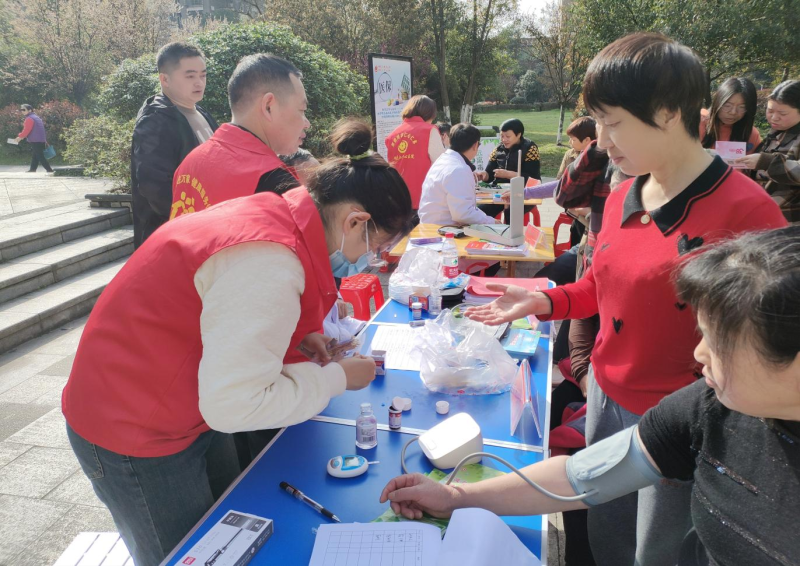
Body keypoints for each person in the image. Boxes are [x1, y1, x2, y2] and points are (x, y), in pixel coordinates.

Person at [468, 33, 785, 566]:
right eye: (596, 123)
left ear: (668, 113)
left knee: (657, 553)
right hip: (604, 396)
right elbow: (601, 287)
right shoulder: (622, 196)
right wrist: (541, 302)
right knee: (606, 538)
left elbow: (767, 351)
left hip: (683, 421)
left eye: (612, 123)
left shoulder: (747, 214)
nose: (601, 141)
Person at [62, 121, 414, 566]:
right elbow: (234, 405)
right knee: (185, 554)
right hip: (133, 424)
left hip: (182, 400)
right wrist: (337, 379)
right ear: (356, 221)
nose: (369, 259)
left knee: (226, 529)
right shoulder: (269, 258)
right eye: (376, 247)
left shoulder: (279, 212)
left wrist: (297, 336)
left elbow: (225, 307)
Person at [381, 226, 800, 566]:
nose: (699, 353)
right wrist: (454, 498)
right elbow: (583, 476)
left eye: (720, 341)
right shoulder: (707, 408)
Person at [171, 54, 308, 219]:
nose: (306, 123)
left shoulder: (188, 164)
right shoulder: (276, 184)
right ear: (268, 106)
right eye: (302, 110)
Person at [131, 42, 218, 248]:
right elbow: (154, 187)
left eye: (203, 75)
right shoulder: (155, 121)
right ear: (165, 79)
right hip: (176, 237)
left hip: (209, 227)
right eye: (190, 76)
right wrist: (196, 222)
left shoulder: (201, 113)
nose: (199, 82)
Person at [734, 79, 800, 224]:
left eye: (783, 113)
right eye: (770, 111)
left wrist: (766, 162)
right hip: (767, 216)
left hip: (790, 221)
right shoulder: (776, 133)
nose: (774, 117)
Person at [419, 123, 496, 226]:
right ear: (475, 145)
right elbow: (463, 214)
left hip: (431, 225)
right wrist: (492, 222)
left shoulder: (443, 160)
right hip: (443, 230)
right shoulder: (459, 169)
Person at [385, 95, 446, 212]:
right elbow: (441, 164)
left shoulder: (392, 134)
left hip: (398, 197)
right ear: (429, 113)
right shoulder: (429, 130)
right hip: (424, 198)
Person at [476, 118, 541, 218]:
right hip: (500, 192)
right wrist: (484, 175)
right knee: (480, 212)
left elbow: (533, 178)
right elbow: (490, 173)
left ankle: (509, 228)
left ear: (518, 135)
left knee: (511, 212)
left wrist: (508, 174)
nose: (504, 140)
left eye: (508, 136)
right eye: (502, 136)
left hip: (523, 192)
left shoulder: (530, 148)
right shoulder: (498, 149)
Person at [700, 77, 761, 153]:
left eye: (742, 107)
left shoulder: (751, 134)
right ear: (717, 102)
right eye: (727, 106)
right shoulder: (697, 122)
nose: (733, 112)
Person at [14, 104, 53, 173]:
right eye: (21, 110)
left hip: (36, 140)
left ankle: (49, 170)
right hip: (41, 140)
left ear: (30, 110)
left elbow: (26, 130)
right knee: (35, 155)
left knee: (40, 156)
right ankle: (32, 169)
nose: (22, 111)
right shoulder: (36, 117)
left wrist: (20, 137)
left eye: (24, 110)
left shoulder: (29, 118)